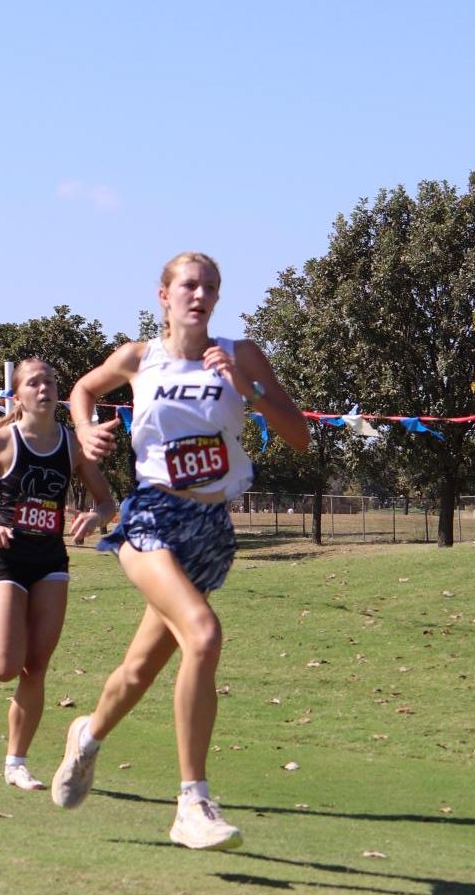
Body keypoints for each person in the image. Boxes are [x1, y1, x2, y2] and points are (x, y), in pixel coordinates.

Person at [50, 251, 309, 851]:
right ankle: (192, 802)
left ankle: (86, 737)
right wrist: (85, 428)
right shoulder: (141, 357)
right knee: (204, 634)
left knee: (140, 670)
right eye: (189, 285)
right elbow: (84, 389)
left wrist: (251, 390)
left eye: (210, 287)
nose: (200, 294)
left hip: (210, 529)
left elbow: (297, 434)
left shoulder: (240, 355)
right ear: (163, 296)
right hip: (150, 517)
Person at [0, 357, 116, 791]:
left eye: (51, 381)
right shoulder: (2, 442)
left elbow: (105, 501)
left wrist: (94, 518)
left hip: (50, 562)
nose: (45, 389)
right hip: (7, 559)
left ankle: (16, 763)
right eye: (35, 383)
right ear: (18, 395)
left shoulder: (72, 444)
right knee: (4, 666)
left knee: (35, 668)